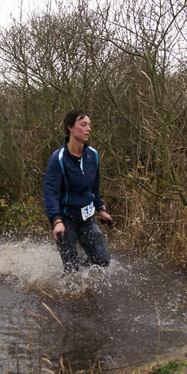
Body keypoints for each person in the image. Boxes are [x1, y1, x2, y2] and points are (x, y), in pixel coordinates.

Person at [43, 108, 113, 275]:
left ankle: (84, 274)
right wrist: (56, 221)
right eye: (83, 124)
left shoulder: (93, 155)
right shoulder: (58, 158)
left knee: (103, 260)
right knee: (71, 269)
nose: (88, 128)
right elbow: (50, 192)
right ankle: (71, 292)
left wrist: (101, 208)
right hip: (65, 217)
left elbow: (94, 186)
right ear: (70, 127)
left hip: (87, 217)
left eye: (89, 125)